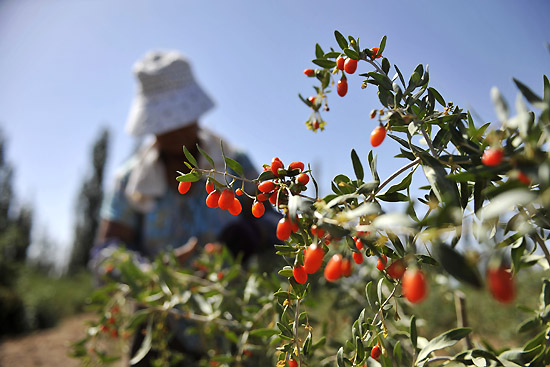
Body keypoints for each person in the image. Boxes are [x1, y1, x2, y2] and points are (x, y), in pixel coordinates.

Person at [90, 50, 279, 366]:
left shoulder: (236, 165)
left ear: (195, 114)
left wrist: (252, 231)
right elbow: (105, 254)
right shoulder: (129, 182)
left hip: (234, 330)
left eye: (178, 121)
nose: (172, 131)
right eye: (162, 123)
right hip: (159, 334)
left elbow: (278, 220)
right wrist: (152, 270)